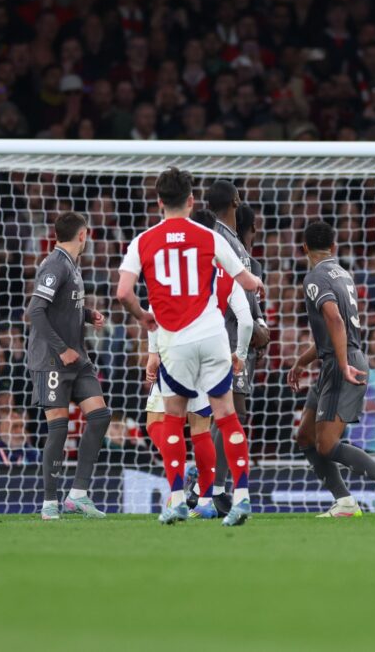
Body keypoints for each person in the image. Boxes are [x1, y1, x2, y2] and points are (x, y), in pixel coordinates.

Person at [115, 167, 263, 526]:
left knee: (173, 418)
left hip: (175, 340)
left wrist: (143, 316)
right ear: (192, 200)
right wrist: (254, 280)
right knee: (226, 415)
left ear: (159, 202)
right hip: (212, 335)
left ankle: (179, 499)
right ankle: (242, 496)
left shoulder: (143, 241)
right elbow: (247, 282)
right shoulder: (210, 237)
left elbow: (123, 293)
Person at [287, 220, 375, 518]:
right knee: (305, 436)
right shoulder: (344, 275)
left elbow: (335, 320)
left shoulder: (315, 277)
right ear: (333, 246)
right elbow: (331, 332)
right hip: (335, 361)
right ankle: (344, 501)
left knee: (327, 444)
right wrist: (302, 361)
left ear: (304, 248)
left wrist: (342, 364)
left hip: (341, 364)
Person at [143, 209, 255, 520]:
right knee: (204, 428)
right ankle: (207, 500)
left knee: (158, 421)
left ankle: (178, 490)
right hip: (213, 350)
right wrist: (240, 354)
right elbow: (246, 321)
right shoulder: (225, 268)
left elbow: (154, 307)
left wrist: (153, 352)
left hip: (177, 349)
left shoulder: (176, 262)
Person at [26, 212, 112, 520]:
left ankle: (77, 495)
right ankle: (50, 502)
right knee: (59, 428)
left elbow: (61, 306)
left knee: (100, 416)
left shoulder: (71, 265)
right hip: (52, 359)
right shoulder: (55, 264)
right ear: (82, 235)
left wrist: (87, 315)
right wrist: (61, 349)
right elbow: (35, 311)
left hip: (77, 358)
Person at [204, 180, 269, 514]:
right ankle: (213, 488)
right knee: (230, 412)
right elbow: (225, 289)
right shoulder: (219, 239)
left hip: (237, 334)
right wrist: (253, 326)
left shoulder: (232, 241)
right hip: (226, 338)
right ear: (236, 200)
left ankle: (207, 487)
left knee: (226, 414)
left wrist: (259, 323)